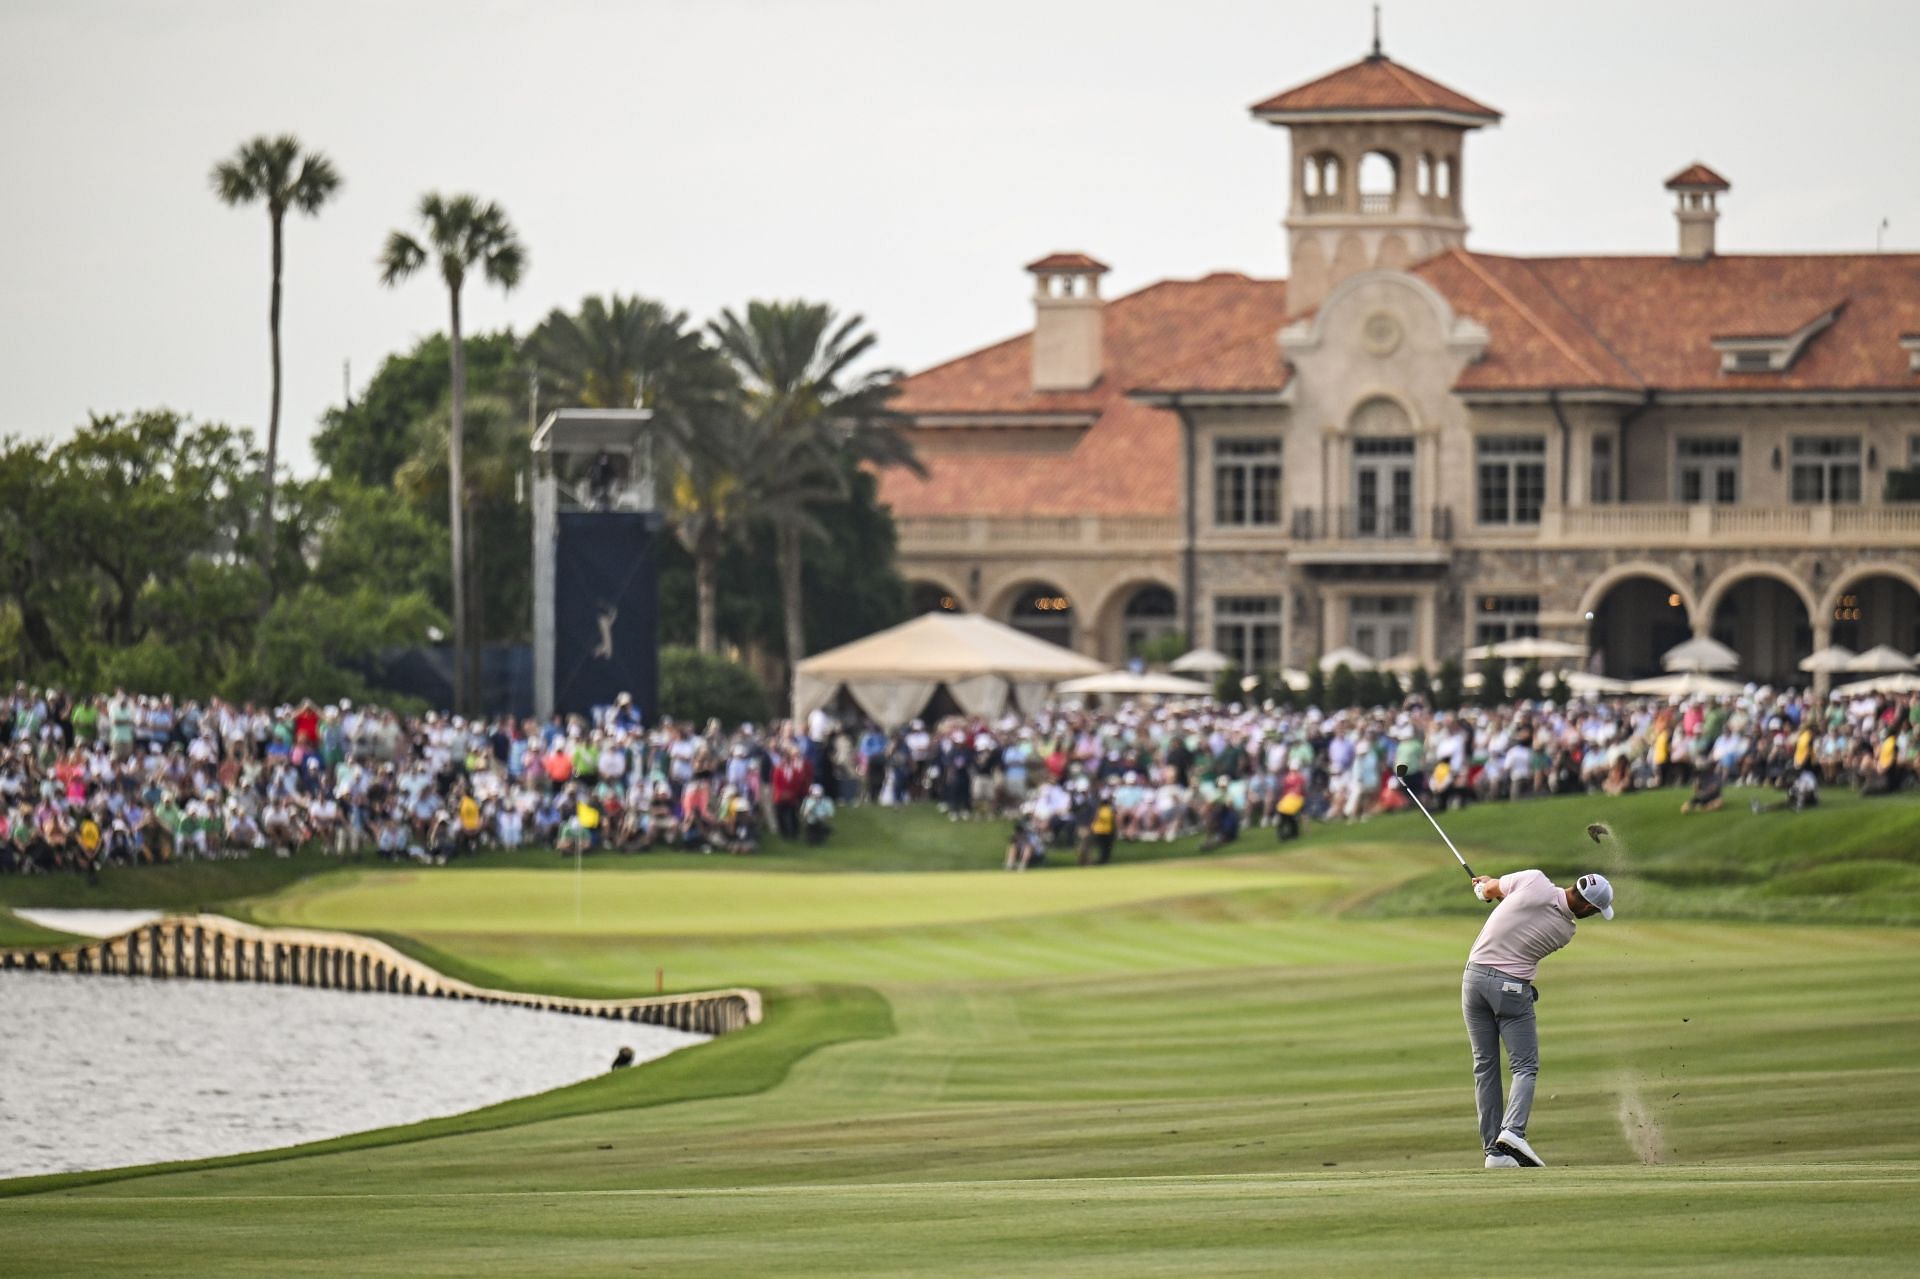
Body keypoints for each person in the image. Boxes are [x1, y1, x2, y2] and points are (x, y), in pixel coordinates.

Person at [1462, 868, 1615, 1168]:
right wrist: (1497, 893)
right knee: (1525, 1066)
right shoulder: (1566, 932)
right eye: (1596, 911)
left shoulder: (1533, 880)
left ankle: (1494, 1153)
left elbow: (1492, 890)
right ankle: (1513, 1133)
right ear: (1586, 906)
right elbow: (1519, 905)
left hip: (1473, 981)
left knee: (1485, 1066)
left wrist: (1483, 889)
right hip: (1511, 989)